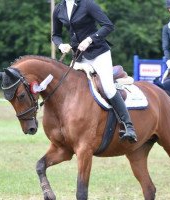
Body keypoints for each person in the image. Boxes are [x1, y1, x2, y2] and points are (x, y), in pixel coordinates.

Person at [52, 0, 137, 143]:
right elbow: (55, 35)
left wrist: (90, 39)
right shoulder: (59, 9)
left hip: (98, 53)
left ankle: (128, 126)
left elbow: (108, 26)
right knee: (70, 89)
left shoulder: (87, 4)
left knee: (108, 89)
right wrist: (60, 45)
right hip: (79, 56)